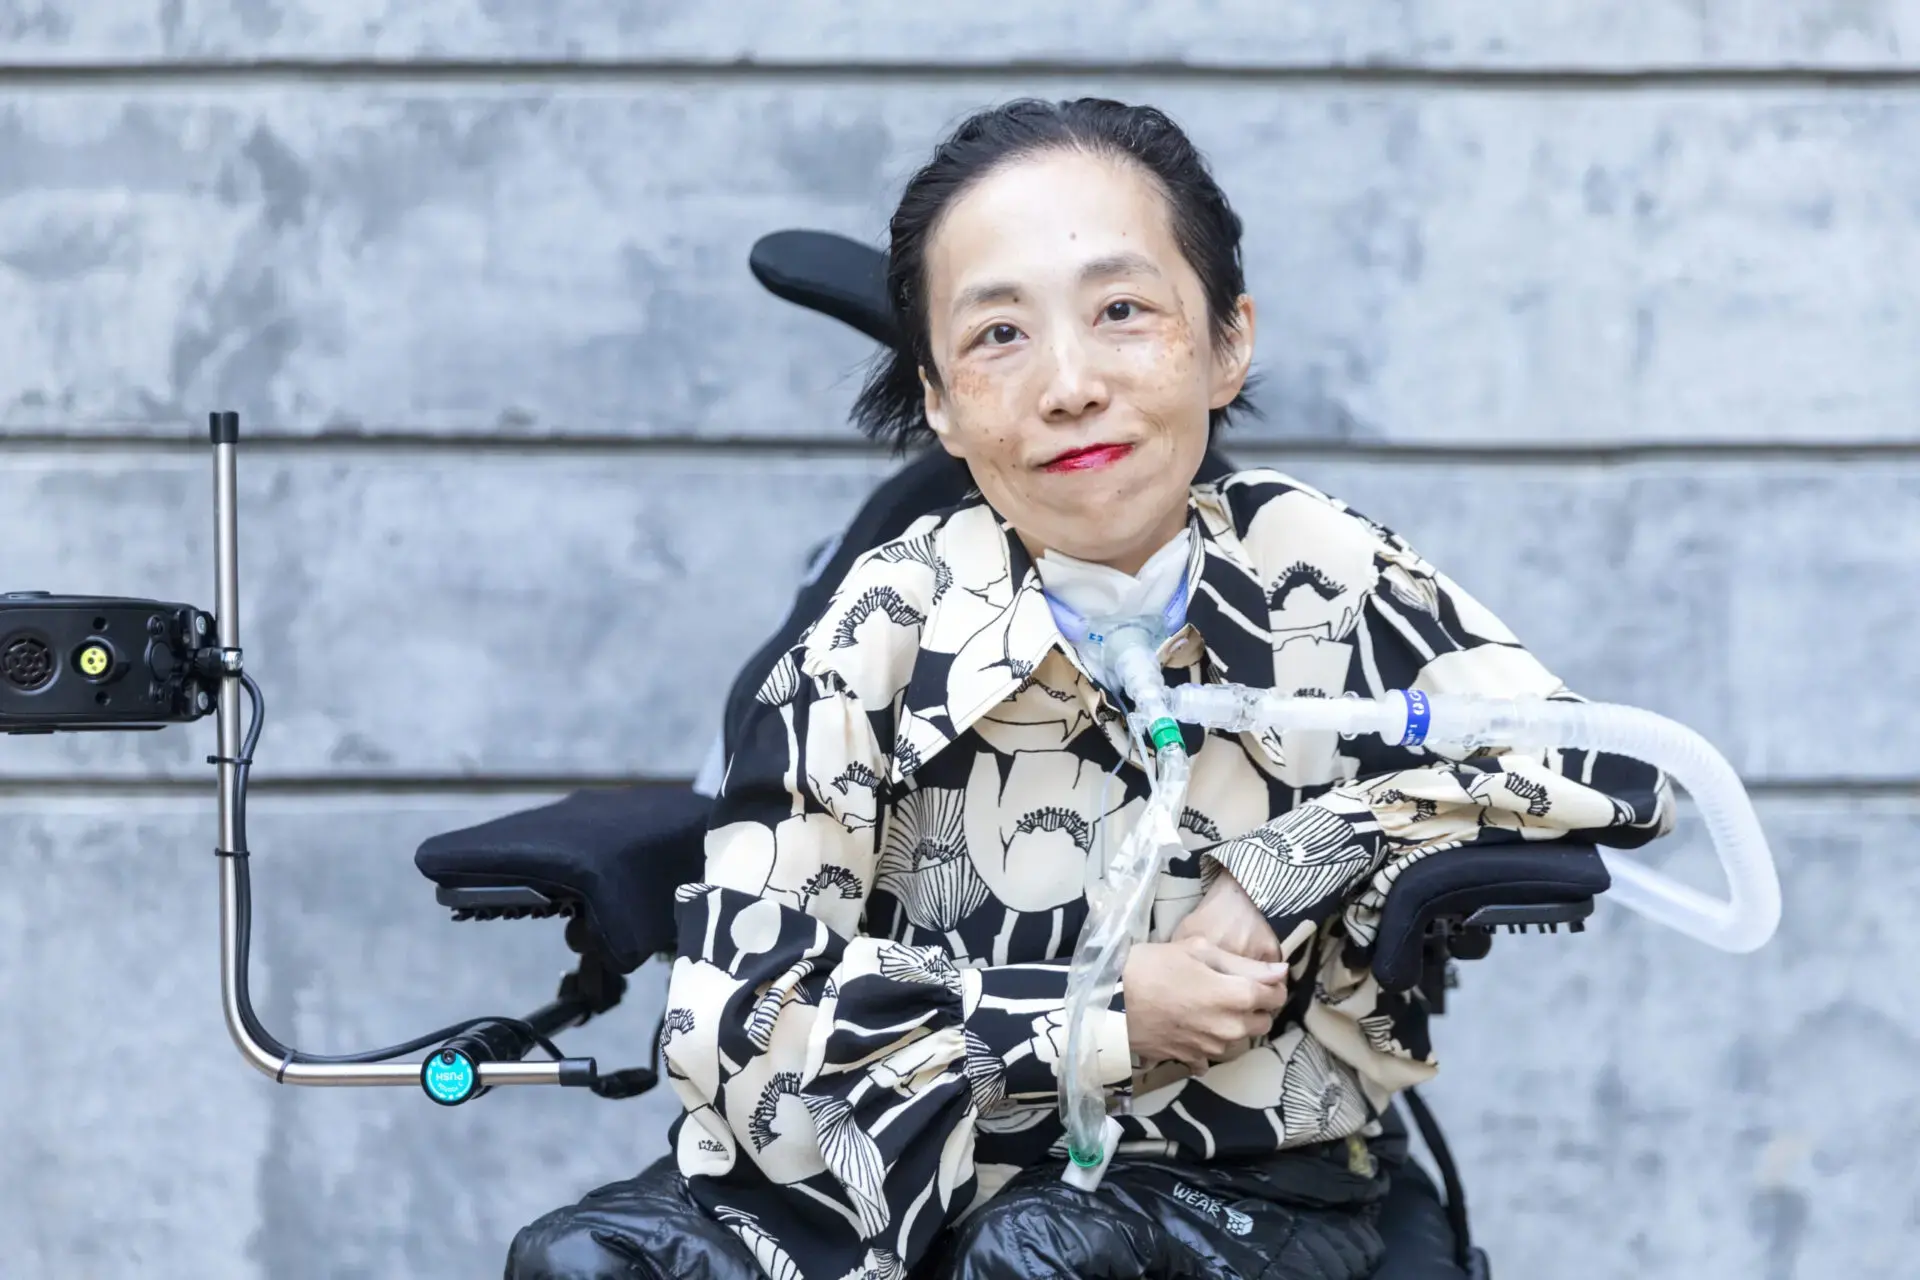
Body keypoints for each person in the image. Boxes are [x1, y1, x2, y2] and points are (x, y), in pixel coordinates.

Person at [509, 98, 1673, 1280]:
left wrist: (1294, 860)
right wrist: (1098, 1020)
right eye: (999, 335)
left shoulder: (1321, 571)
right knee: (581, 1261)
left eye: (1123, 311)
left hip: (1237, 1180)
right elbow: (733, 1026)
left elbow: (1609, 767)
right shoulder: (877, 628)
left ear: (1226, 342)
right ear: (940, 400)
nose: (1068, 383)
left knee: (1042, 1254)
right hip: (890, 1180)